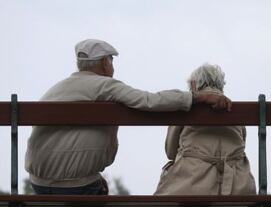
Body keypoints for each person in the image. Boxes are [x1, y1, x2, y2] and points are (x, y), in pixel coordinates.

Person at [25, 39, 232, 195]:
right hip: (78, 186)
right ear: (106, 63)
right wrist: (198, 97)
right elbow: (150, 101)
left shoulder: (55, 90)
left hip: (38, 184)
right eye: (111, 60)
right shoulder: (105, 85)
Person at [154, 63, 256, 195]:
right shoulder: (235, 111)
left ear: (194, 85)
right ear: (221, 85)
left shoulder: (186, 109)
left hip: (192, 184)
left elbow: (170, 151)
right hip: (237, 187)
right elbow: (242, 144)